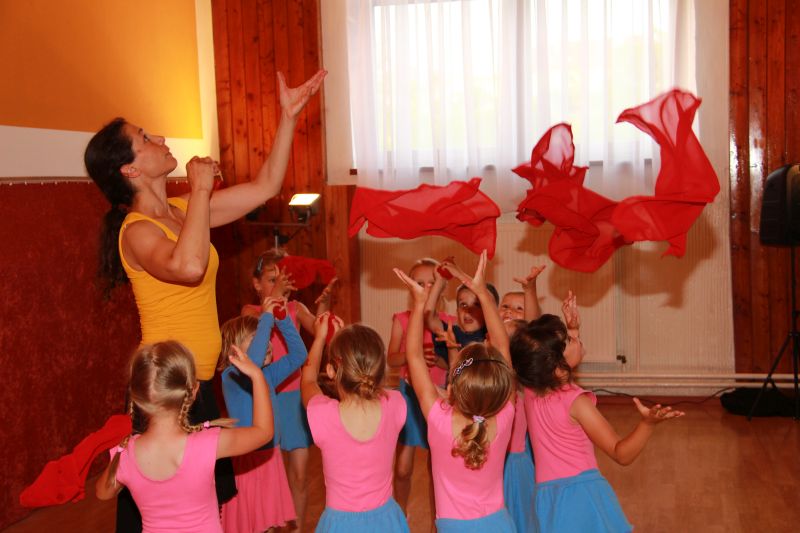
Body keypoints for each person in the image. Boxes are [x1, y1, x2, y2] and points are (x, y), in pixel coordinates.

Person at [84, 69, 326, 531]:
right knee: (154, 515)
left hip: (198, 383)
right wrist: (199, 188)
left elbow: (265, 186)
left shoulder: (181, 210)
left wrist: (289, 117)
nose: (159, 138)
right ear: (129, 170)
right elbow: (189, 267)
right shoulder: (136, 231)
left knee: (202, 507)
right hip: (164, 389)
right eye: (144, 138)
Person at [510, 309, 684, 532]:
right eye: (569, 341)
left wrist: (573, 330)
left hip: (547, 499)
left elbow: (537, 358)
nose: (575, 340)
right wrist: (647, 424)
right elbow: (621, 453)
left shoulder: (531, 392)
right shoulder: (577, 403)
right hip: (582, 496)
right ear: (556, 366)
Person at [395, 250, 517, 532]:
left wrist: (419, 304)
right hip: (499, 524)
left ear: (451, 388)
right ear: (501, 387)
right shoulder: (504, 417)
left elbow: (414, 357)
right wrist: (483, 294)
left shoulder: (439, 420)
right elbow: (502, 347)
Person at [95, 341, 273, 533]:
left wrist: (121, 451)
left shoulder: (126, 454)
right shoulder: (207, 443)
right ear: (194, 391)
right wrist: (257, 376)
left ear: (136, 396)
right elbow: (263, 432)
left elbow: (102, 493)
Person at [241, 248, 335, 531]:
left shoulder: (296, 308)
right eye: (272, 280)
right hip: (264, 400)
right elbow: (257, 331)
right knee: (267, 475)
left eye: (284, 280)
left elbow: (321, 331)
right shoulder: (249, 312)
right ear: (257, 284)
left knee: (299, 475)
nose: (280, 286)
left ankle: (297, 529)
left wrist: (325, 304)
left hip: (294, 399)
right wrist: (274, 298)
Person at [301, 313, 410, 532]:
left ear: (331, 371)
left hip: (341, 525)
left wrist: (320, 338)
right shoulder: (395, 404)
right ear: (380, 370)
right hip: (385, 522)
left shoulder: (323, 415)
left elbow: (308, 380)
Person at [218, 295, 308, 533]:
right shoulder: (231, 376)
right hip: (248, 461)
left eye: (266, 338)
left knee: (268, 524)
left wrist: (282, 320)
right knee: (251, 525)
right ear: (233, 350)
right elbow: (254, 362)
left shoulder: (266, 375)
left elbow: (299, 356)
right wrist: (265, 319)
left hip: (270, 458)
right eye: (257, 337)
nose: (267, 342)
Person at [386, 257, 450, 519]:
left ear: (442, 287)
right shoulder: (402, 319)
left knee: (437, 467)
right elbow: (391, 359)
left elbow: (454, 361)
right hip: (409, 396)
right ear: (409, 286)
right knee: (402, 468)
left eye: (431, 283)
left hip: (439, 396)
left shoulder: (448, 321)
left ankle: (437, 521)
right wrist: (413, 357)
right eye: (419, 283)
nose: (425, 288)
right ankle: (400, 518)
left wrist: (440, 360)